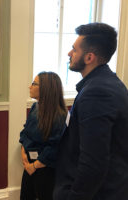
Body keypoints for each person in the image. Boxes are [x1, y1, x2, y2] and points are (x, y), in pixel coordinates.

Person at [53, 23, 128, 200]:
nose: (69, 54)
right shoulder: (107, 82)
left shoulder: (97, 92)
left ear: (89, 57)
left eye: (74, 50)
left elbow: (94, 162)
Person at [19, 72, 67, 200]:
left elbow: (53, 147)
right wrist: (24, 157)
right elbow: (25, 133)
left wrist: (34, 166)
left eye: (34, 84)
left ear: (46, 88)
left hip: (44, 167)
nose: (30, 87)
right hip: (29, 163)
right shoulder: (35, 107)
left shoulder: (59, 116)